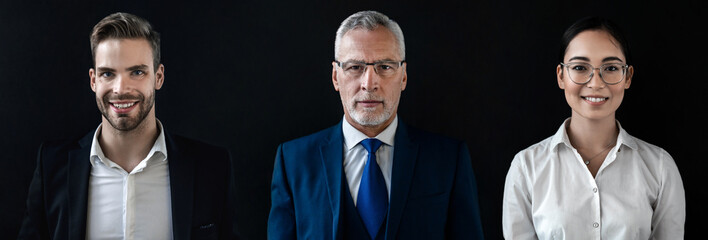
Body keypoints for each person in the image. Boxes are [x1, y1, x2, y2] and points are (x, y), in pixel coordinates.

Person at [268, 10, 484, 240]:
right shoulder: (293, 161)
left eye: (385, 67)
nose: (369, 84)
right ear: (335, 77)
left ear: (403, 76)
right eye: (355, 67)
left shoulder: (449, 160)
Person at [19, 12, 236, 239]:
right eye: (108, 74)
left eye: (137, 72)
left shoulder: (212, 168)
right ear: (94, 80)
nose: (121, 88)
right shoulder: (52, 167)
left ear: (158, 77)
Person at [502, 17, 685, 239]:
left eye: (610, 68)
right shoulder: (526, 168)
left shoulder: (660, 167)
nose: (596, 83)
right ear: (561, 76)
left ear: (627, 77)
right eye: (580, 67)